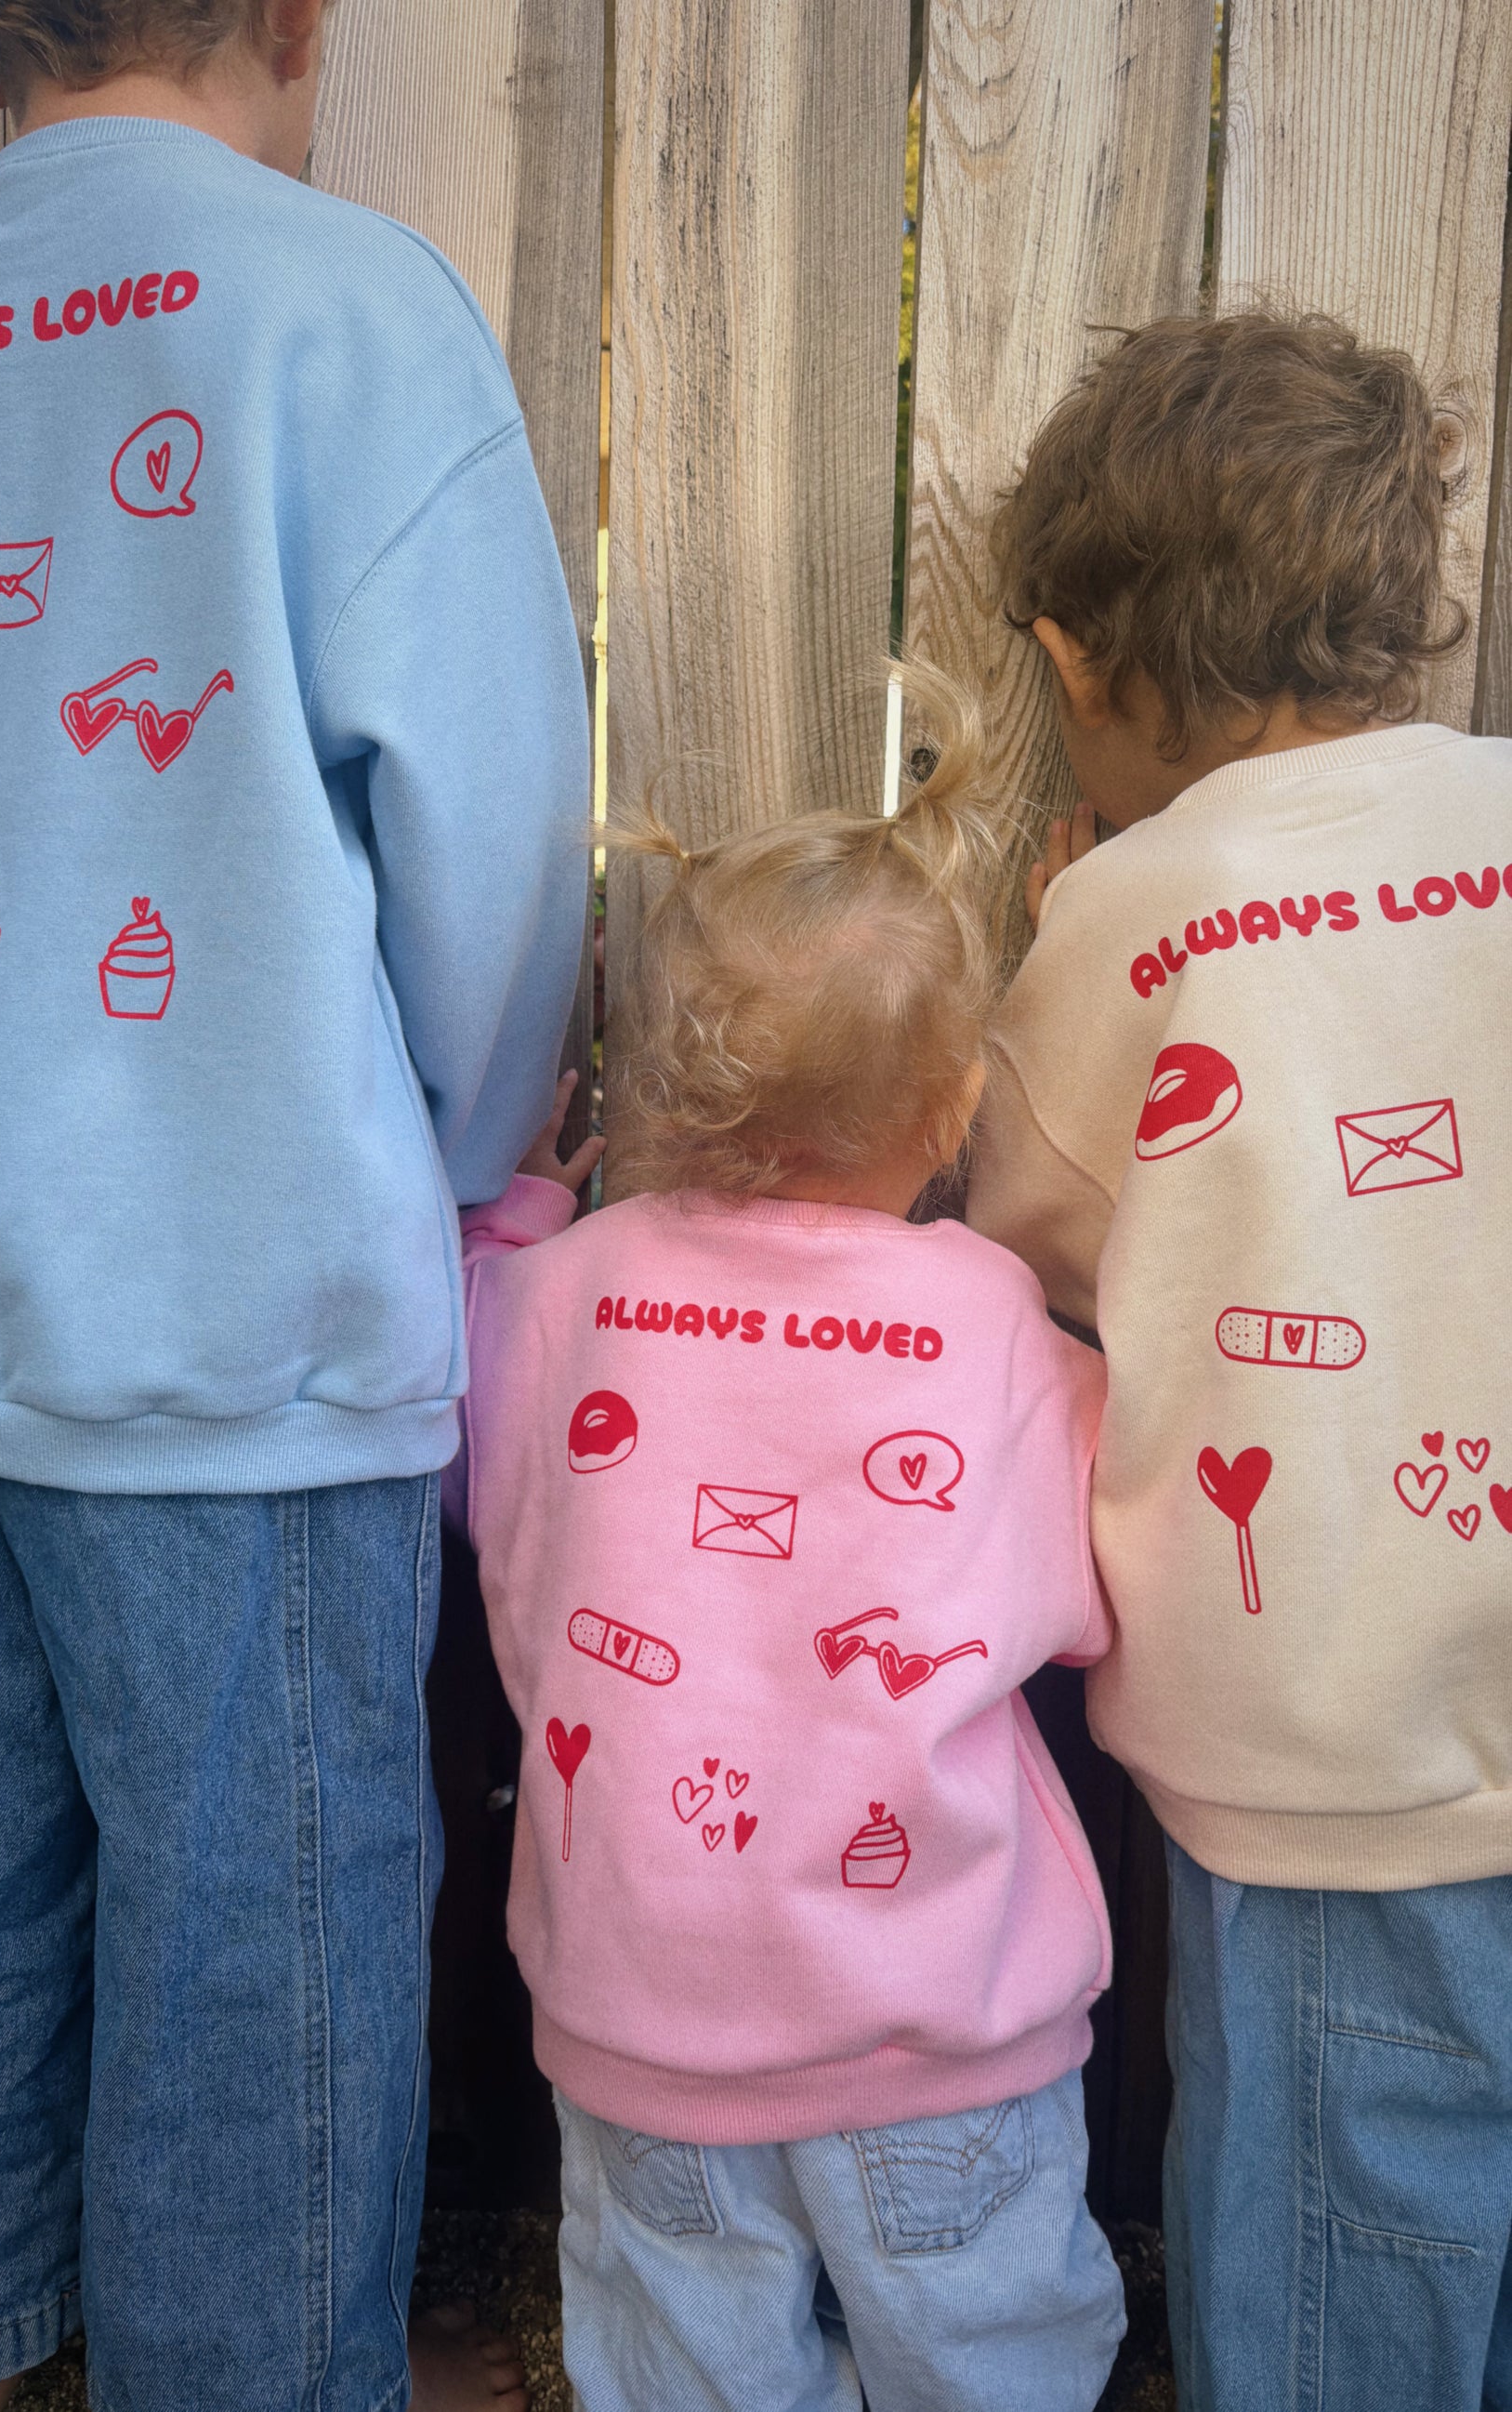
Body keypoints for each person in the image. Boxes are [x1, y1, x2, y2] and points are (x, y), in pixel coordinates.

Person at [0, 2, 587, 2405]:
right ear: (296, 16)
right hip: (225, 1324)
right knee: (259, 1932)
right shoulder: (343, 306)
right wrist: (468, 1149)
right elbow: (496, 825)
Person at [448, 664, 1128, 2412]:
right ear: (952, 1107)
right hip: (937, 2019)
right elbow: (1098, 1581)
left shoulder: (560, 1299)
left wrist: (518, 1208)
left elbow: (449, 1417)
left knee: (687, 2359)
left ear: (655, 1078)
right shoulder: (989, 1324)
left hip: (639, 2019)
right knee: (988, 2356)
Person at [968, 310, 1512, 2411]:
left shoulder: (1144, 905)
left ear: (1078, 661)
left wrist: (1063, 939)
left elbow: (1037, 1236)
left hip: (1323, 1746)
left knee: (1336, 2241)